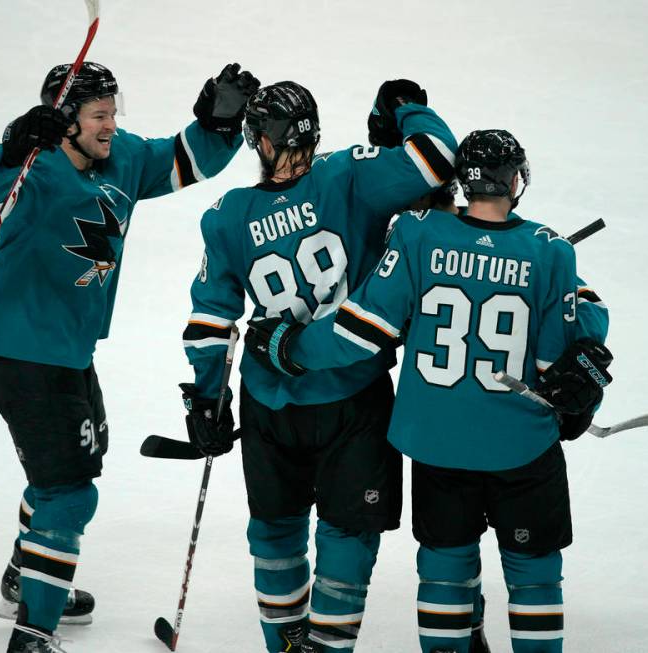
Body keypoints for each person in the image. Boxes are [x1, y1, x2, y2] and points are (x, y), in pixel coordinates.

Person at [246, 129, 612, 653]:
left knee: (445, 565)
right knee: (534, 573)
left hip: (437, 440)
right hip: (520, 443)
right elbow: (561, 361)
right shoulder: (549, 249)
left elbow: (364, 328)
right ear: (515, 180)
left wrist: (292, 347)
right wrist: (587, 354)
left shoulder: (419, 233)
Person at [0, 61, 259, 653]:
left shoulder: (123, 159)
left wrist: (218, 125)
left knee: (73, 464)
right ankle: (33, 632)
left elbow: (186, 162)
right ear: (64, 122)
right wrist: (14, 144)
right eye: (98, 115)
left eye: (114, 113)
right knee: (70, 490)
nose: (111, 125)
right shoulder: (35, 170)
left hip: (66, 349)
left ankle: (25, 578)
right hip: (17, 348)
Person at [180, 79, 457, 652]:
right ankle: (327, 647)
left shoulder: (228, 214)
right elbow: (436, 159)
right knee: (347, 529)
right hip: (352, 393)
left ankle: (284, 643)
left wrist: (206, 397)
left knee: (275, 528)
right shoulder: (346, 174)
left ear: (259, 139)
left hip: (267, 398)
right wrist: (406, 108)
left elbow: (211, 319)